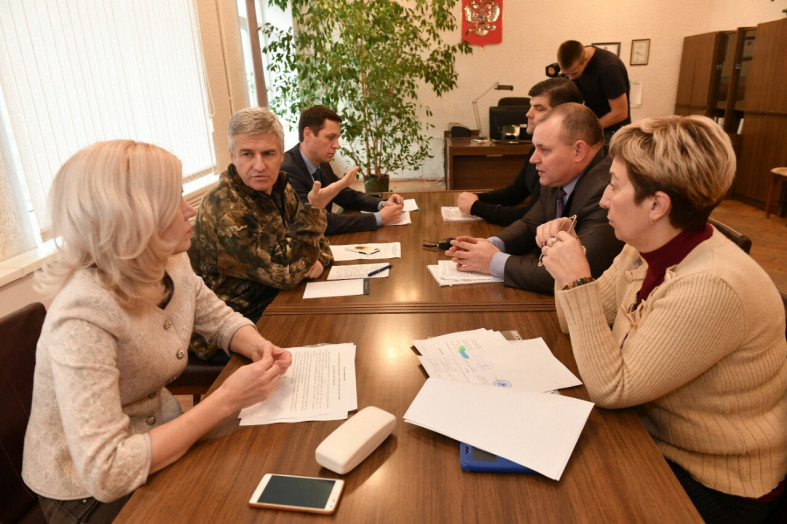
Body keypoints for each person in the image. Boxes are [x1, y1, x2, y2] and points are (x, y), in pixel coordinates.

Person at [22, 140, 294, 522]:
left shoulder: (170, 260)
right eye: (174, 200)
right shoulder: (81, 315)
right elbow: (107, 471)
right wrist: (226, 400)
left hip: (162, 439)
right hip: (86, 496)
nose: (190, 210)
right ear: (131, 215)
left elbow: (216, 317)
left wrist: (259, 345)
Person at [537, 115, 787, 524]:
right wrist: (564, 266)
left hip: (715, 482)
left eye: (615, 185)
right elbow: (574, 321)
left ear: (656, 205)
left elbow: (612, 389)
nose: (602, 200)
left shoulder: (711, 285)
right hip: (650, 436)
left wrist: (576, 278)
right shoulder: (645, 244)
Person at [188, 107, 349, 362]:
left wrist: (313, 259)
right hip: (229, 328)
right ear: (232, 156)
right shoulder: (226, 211)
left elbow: (321, 244)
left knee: (342, 325)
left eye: (268, 153)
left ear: (281, 155)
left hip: (275, 301)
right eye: (247, 154)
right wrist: (304, 255)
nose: (259, 165)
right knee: (323, 349)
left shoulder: (279, 187)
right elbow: (286, 273)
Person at [446, 103, 623, 295]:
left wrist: (492, 261)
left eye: (544, 150)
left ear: (578, 151)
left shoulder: (606, 192)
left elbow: (575, 274)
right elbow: (531, 224)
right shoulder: (560, 173)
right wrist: (489, 245)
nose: (533, 159)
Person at [456, 78, 583, 226]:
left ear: (564, 113)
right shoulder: (534, 151)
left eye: (539, 108)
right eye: (530, 106)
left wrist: (476, 207)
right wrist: (476, 197)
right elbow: (515, 193)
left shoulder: (560, 161)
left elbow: (529, 216)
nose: (528, 113)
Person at [281, 105, 405, 235]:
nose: (337, 145)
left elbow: (345, 195)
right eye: (330, 137)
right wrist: (379, 218)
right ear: (308, 134)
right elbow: (318, 221)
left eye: (337, 138)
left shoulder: (321, 162)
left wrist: (382, 205)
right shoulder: (287, 170)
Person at [557, 40, 630, 143]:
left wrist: (587, 130)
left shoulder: (608, 68)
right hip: (594, 124)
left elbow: (620, 113)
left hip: (613, 131)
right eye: (566, 74)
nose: (570, 78)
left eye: (574, 73)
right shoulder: (577, 58)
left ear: (585, 59)